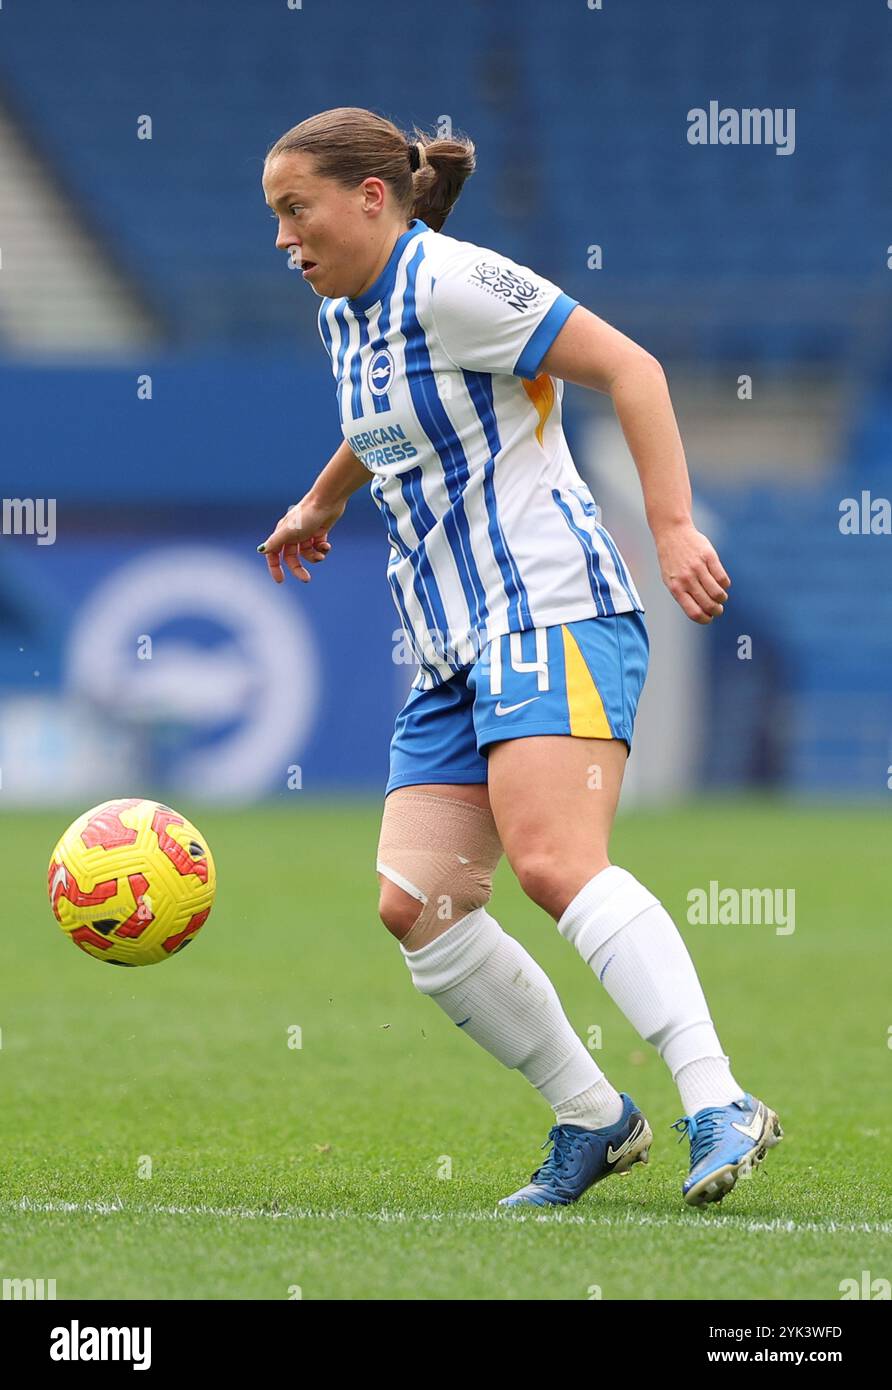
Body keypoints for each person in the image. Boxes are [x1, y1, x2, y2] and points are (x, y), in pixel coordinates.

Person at [258, 106, 782, 1208]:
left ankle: (715, 1095)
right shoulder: (344, 315)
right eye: (274, 216)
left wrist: (674, 525)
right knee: (418, 902)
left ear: (369, 197)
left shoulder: (454, 283)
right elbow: (387, 421)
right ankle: (596, 1116)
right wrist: (319, 499)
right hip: (451, 644)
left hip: (549, 608)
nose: (282, 236)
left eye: (295, 209)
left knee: (552, 860)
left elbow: (630, 367)